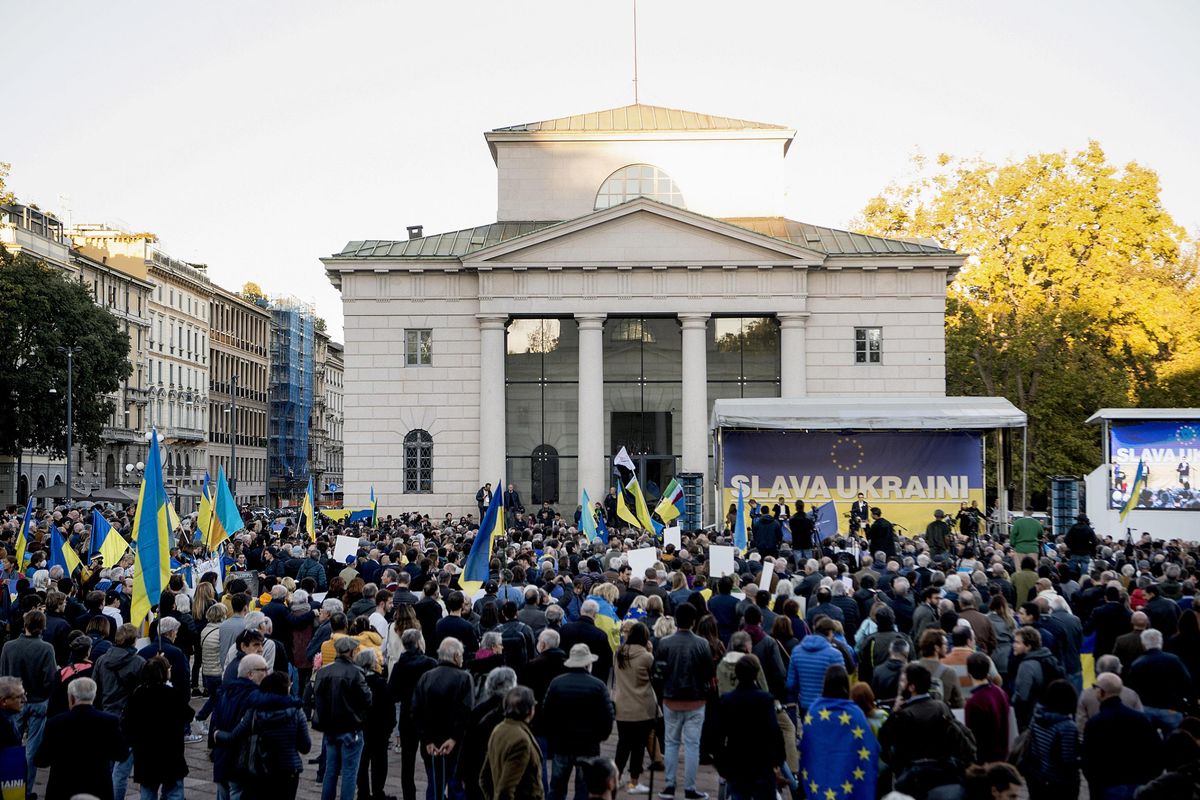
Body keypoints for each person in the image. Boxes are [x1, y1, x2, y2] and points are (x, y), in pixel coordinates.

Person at [215, 670, 310, 800]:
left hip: (260, 769)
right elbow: (305, 747)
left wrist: (217, 735)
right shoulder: (296, 712)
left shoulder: (255, 711)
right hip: (288, 770)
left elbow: (235, 736)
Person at [652, 603, 713, 800]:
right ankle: (689, 788)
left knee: (671, 743)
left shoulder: (665, 643)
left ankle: (670, 786)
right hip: (696, 700)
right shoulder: (702, 644)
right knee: (692, 745)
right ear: (694, 621)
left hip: (671, 698)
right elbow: (708, 673)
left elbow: (658, 673)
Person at [34, 676, 128, 800]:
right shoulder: (109, 721)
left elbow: (41, 760)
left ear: (72, 698)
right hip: (98, 787)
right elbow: (122, 754)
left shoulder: (55, 723)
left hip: (62, 787)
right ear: (93, 697)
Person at [542, 644, 615, 800]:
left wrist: (552, 736)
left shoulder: (557, 683)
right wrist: (600, 736)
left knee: (557, 788)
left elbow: (546, 713)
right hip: (588, 745)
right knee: (584, 789)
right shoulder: (598, 685)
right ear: (588, 663)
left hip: (562, 743)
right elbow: (608, 716)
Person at [123, 655, 195, 800]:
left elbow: (127, 723)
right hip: (171, 752)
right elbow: (188, 714)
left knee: (148, 793)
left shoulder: (138, 694)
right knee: (174, 792)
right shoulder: (172, 693)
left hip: (146, 754)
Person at [412, 637, 475, 800]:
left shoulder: (426, 677)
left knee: (434, 785)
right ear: (455, 656)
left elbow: (416, 711)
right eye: (461, 654)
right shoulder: (464, 678)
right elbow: (466, 712)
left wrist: (427, 740)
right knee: (455, 785)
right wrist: (454, 738)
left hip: (431, 743)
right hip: (456, 745)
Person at [0, 609, 57, 790]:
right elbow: (50, 678)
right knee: (32, 748)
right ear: (42, 627)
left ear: (25, 625)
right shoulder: (46, 648)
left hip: (12, 700)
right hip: (38, 701)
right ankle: (27, 787)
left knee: (11, 745)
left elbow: (2, 675)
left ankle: (10, 786)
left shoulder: (9, 646)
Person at [311, 635, 373, 800]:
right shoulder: (356, 673)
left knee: (330, 770)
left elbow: (317, 698)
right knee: (349, 771)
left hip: (330, 728)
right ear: (351, 652)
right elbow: (367, 699)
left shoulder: (324, 671)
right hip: (351, 728)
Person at [1080, 672, 1161, 800]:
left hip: (1107, 784)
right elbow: (1156, 750)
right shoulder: (1140, 719)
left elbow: (1088, 758)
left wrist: (1095, 782)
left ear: (1102, 692)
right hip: (1138, 783)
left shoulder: (1095, 723)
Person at [715, 654, 782, 800]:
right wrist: (778, 759)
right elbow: (774, 731)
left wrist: (721, 764)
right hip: (762, 763)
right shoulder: (765, 699)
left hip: (737, 762)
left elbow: (718, 735)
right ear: (756, 674)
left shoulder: (727, 699)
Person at [93, 623, 146, 800]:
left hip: (105, 715)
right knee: (121, 769)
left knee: (106, 766)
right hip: (127, 719)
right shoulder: (138, 662)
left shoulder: (102, 660)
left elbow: (95, 689)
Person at [387, 629, 437, 800]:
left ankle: (410, 796)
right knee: (431, 759)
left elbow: (393, 693)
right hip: (427, 716)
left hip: (408, 716)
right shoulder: (430, 663)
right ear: (418, 643)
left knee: (407, 763)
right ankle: (434, 793)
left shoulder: (400, 666)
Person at [461, 666, 518, 800]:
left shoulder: (479, 711)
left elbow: (467, 744)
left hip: (479, 772)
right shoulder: (516, 711)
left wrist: (463, 774)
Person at [613, 621, 655, 795]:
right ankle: (633, 782)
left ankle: (615, 777)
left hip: (622, 704)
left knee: (622, 745)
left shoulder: (619, 653)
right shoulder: (646, 656)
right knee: (638, 746)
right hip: (641, 706)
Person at [480, 686, 544, 800]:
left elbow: (484, 779)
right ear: (529, 710)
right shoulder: (521, 740)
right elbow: (506, 790)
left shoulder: (498, 729)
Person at [1126, 627, 1193, 736]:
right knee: (1175, 741)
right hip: (1171, 707)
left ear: (1143, 644)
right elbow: (1186, 681)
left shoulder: (1137, 664)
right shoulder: (1173, 660)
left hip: (1146, 707)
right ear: (1161, 642)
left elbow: (1132, 688)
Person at [1021, 680, 1079, 800]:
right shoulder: (1067, 726)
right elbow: (1068, 759)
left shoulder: (1037, 717)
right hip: (1058, 782)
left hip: (1036, 776)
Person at [355, 648, 395, 800]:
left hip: (362, 729)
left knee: (362, 762)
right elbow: (389, 708)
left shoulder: (357, 681)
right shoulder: (381, 683)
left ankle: (363, 792)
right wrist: (390, 728)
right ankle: (378, 791)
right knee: (379, 762)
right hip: (380, 730)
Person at [963, 652, 1009, 763]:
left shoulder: (974, 702)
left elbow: (972, 736)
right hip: (1002, 755)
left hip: (984, 759)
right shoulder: (1000, 693)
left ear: (969, 673)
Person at [558, 599, 613, 685]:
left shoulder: (565, 629)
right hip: (592, 680)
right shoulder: (600, 634)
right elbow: (608, 660)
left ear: (581, 610)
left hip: (565, 676)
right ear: (595, 615)